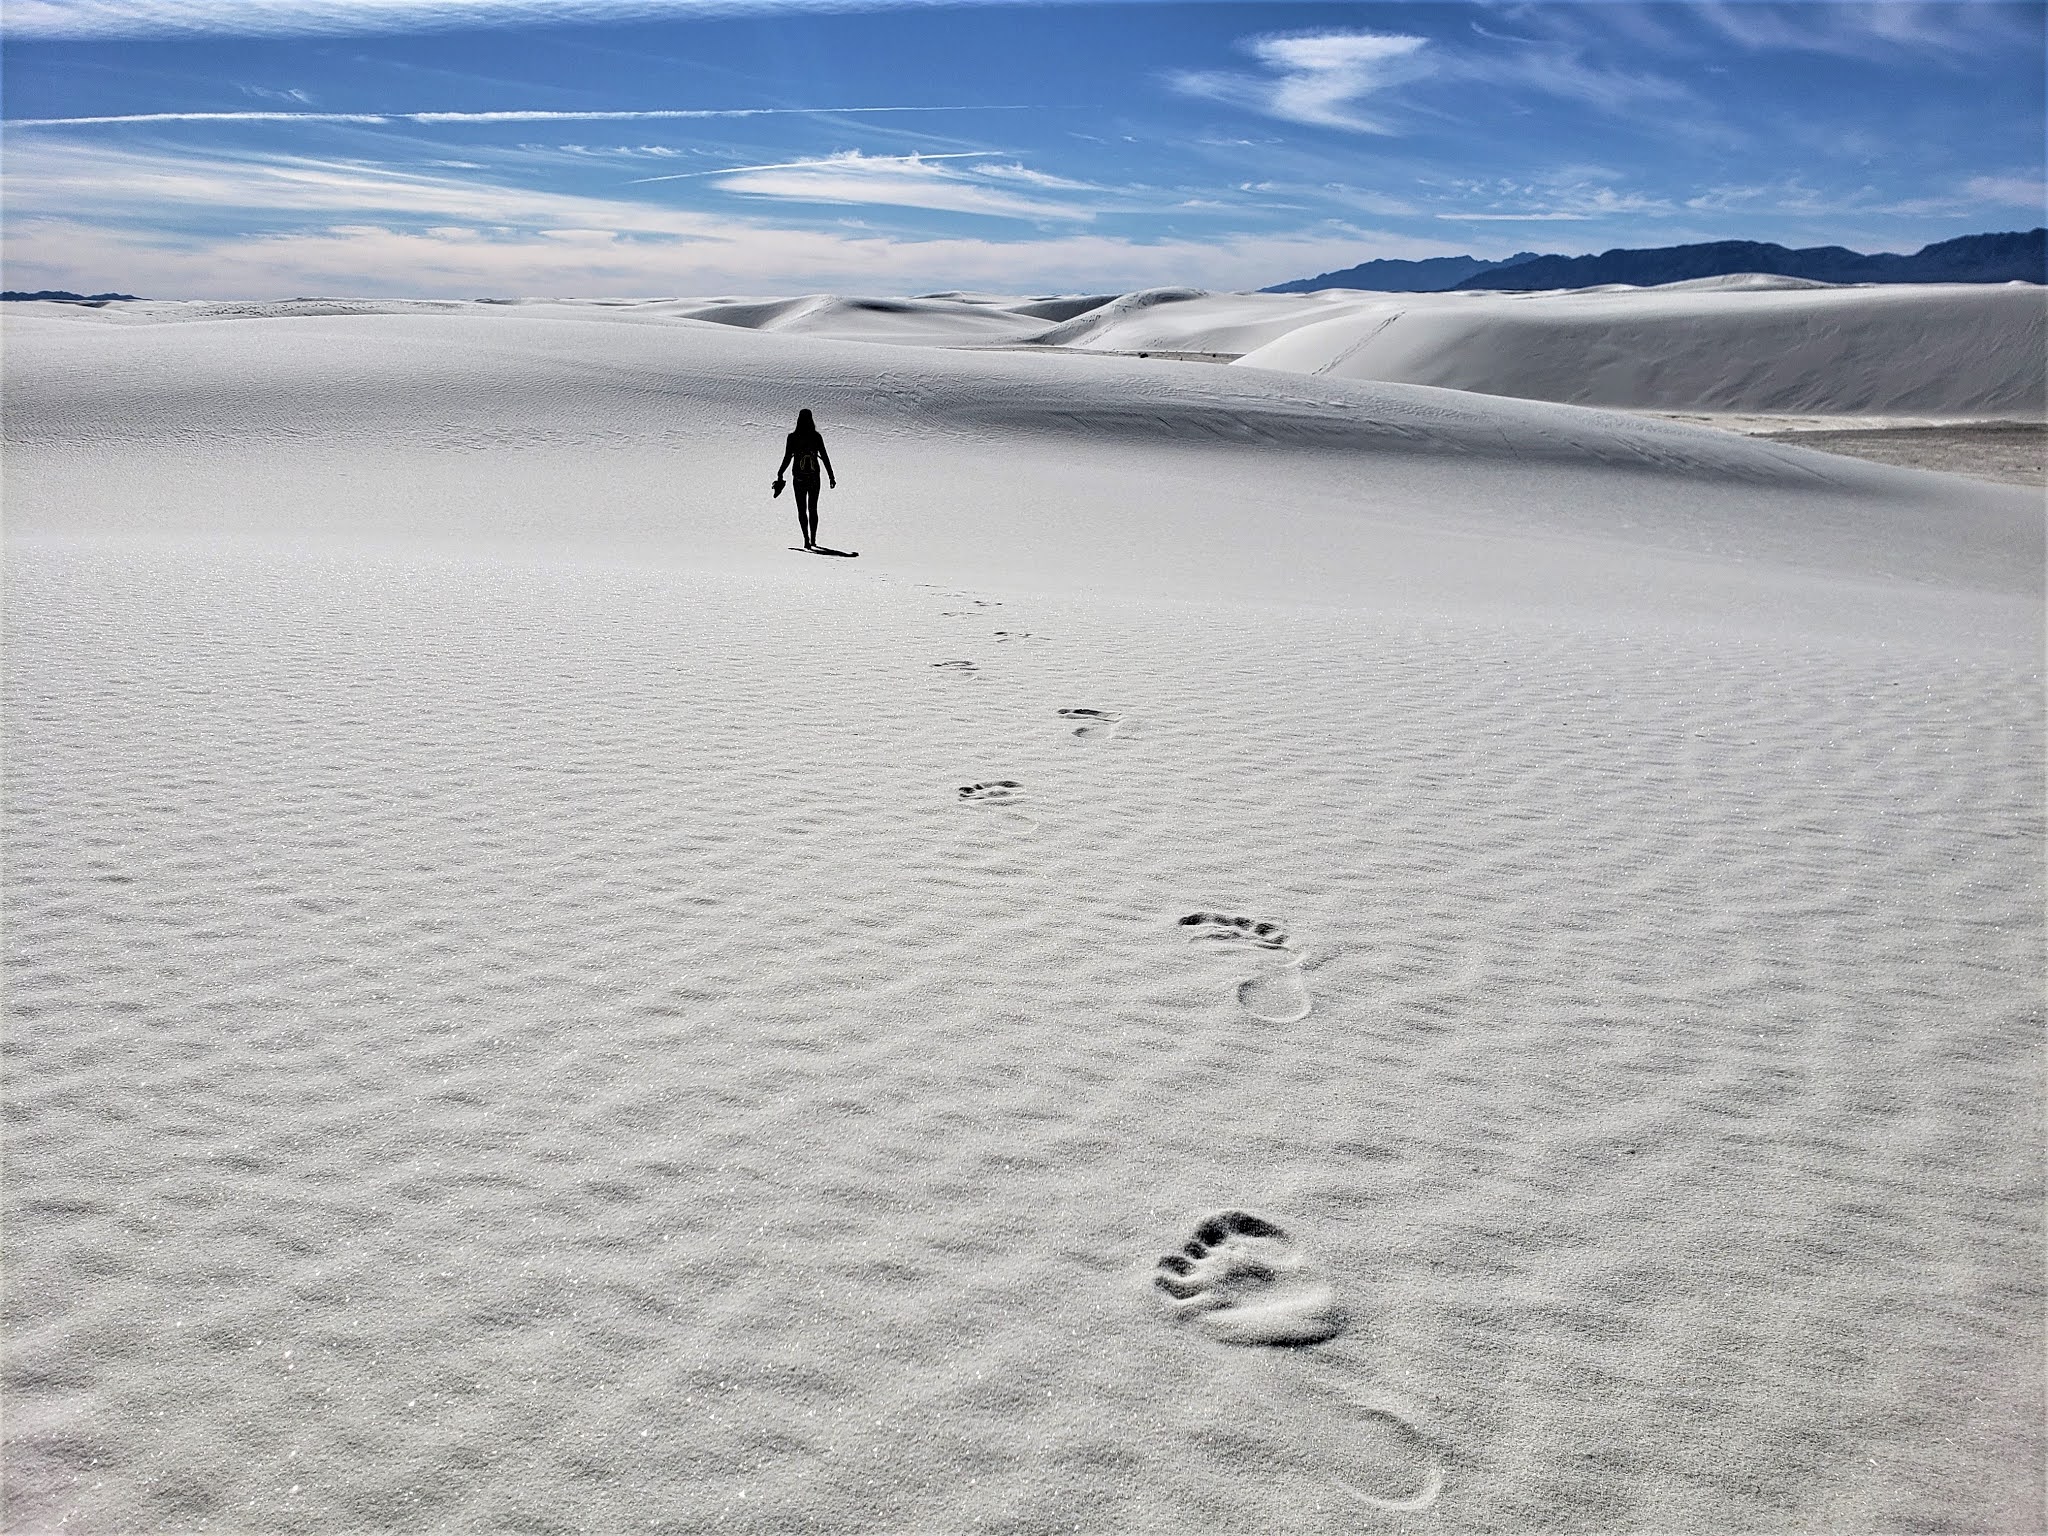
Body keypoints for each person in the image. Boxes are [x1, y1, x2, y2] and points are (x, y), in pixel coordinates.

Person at [774, 408, 837, 550]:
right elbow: (824, 456)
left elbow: (787, 457)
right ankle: (813, 539)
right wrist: (831, 476)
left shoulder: (793, 437)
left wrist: (780, 473)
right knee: (813, 508)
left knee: (801, 509)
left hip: (798, 478)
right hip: (814, 477)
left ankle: (806, 540)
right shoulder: (816, 437)